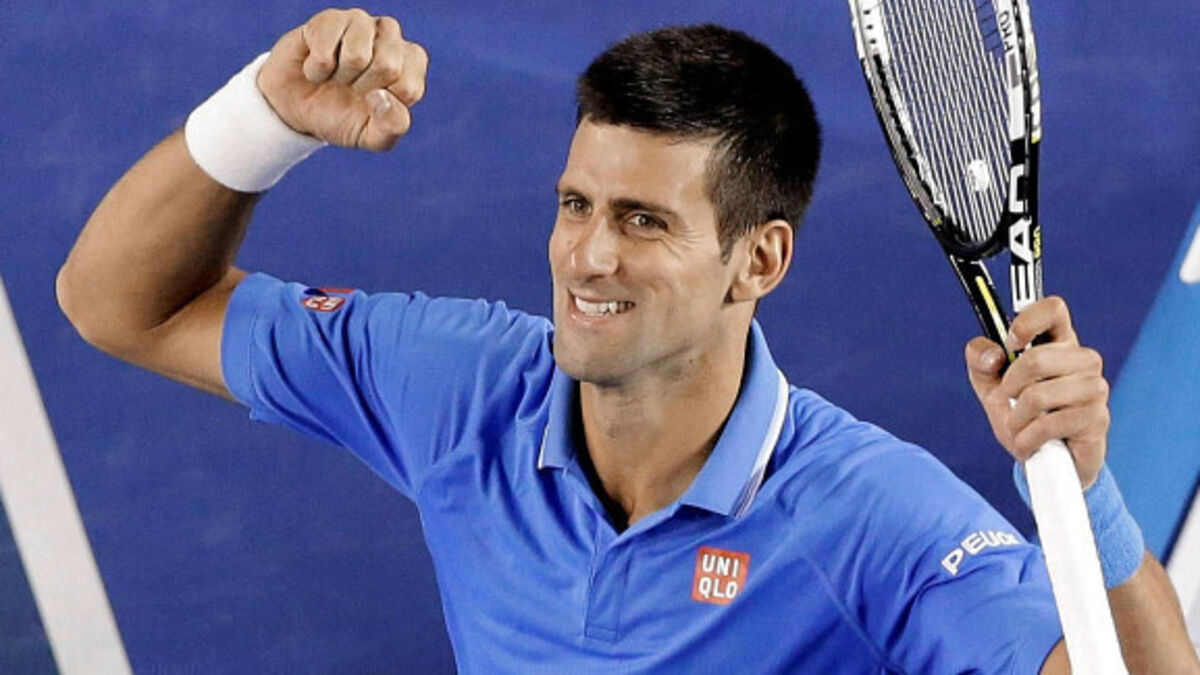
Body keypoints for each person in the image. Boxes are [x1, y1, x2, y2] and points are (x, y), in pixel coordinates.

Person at [57, 7, 1198, 672]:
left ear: (759, 260)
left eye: (644, 221)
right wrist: (263, 118)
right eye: (576, 205)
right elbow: (121, 304)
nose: (588, 257)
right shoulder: (461, 387)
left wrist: (1087, 495)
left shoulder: (871, 519)